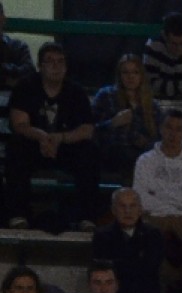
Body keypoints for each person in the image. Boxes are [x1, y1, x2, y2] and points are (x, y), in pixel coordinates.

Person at [6, 42, 101, 231]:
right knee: (16, 148)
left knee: (89, 152)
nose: (56, 66)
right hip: (34, 144)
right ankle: (18, 214)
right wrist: (42, 136)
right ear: (40, 66)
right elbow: (19, 124)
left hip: (66, 146)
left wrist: (60, 138)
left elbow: (87, 129)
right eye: (50, 61)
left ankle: (86, 217)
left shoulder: (76, 92)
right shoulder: (25, 87)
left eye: (60, 61)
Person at [132, 108, 182, 293]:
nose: (173, 133)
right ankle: (163, 289)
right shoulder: (145, 161)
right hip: (154, 217)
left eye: (178, 129)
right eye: (168, 127)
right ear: (161, 128)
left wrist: (157, 191)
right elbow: (142, 200)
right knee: (144, 241)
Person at [91, 188, 172, 293]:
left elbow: (150, 268)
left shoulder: (153, 234)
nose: (128, 211)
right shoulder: (102, 235)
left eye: (132, 206)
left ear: (140, 209)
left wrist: (118, 264)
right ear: (113, 210)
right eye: (122, 206)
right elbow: (103, 269)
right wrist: (136, 263)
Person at [91, 54, 163, 180]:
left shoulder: (151, 105)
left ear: (141, 76)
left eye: (135, 72)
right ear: (119, 75)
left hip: (140, 156)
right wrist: (113, 123)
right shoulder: (106, 96)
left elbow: (160, 139)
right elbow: (90, 129)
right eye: (125, 72)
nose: (131, 77)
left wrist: (146, 142)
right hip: (110, 154)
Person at [143, 11, 182, 100]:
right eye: (174, 44)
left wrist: (167, 86)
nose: (179, 49)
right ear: (164, 37)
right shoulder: (154, 45)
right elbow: (149, 84)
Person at [0, 3, 34, 90]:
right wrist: (9, 76)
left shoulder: (19, 47)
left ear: (3, 18)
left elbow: (30, 74)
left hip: (14, 98)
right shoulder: (19, 48)